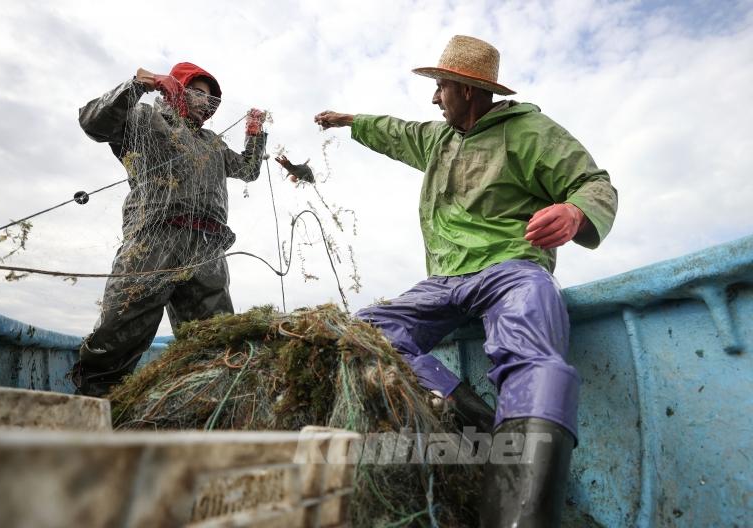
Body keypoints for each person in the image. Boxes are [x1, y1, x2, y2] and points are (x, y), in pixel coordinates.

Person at [313, 35, 617, 527]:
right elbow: (394, 130)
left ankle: (521, 513)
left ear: (469, 91)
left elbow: (593, 182)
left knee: (532, 339)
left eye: (441, 87)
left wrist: (575, 211)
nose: (434, 98)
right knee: (361, 334)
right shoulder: (438, 140)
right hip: (444, 279)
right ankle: (465, 407)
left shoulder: (530, 132)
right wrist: (348, 120)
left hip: (510, 268)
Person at [71, 62, 267, 397]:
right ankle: (93, 407)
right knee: (120, 332)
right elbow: (93, 122)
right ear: (178, 86)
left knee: (216, 344)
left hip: (208, 249)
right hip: (153, 241)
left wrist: (255, 133)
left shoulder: (213, 143)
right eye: (198, 92)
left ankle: (208, 417)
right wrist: (138, 85)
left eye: (210, 98)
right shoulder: (145, 118)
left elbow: (249, 170)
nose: (205, 102)